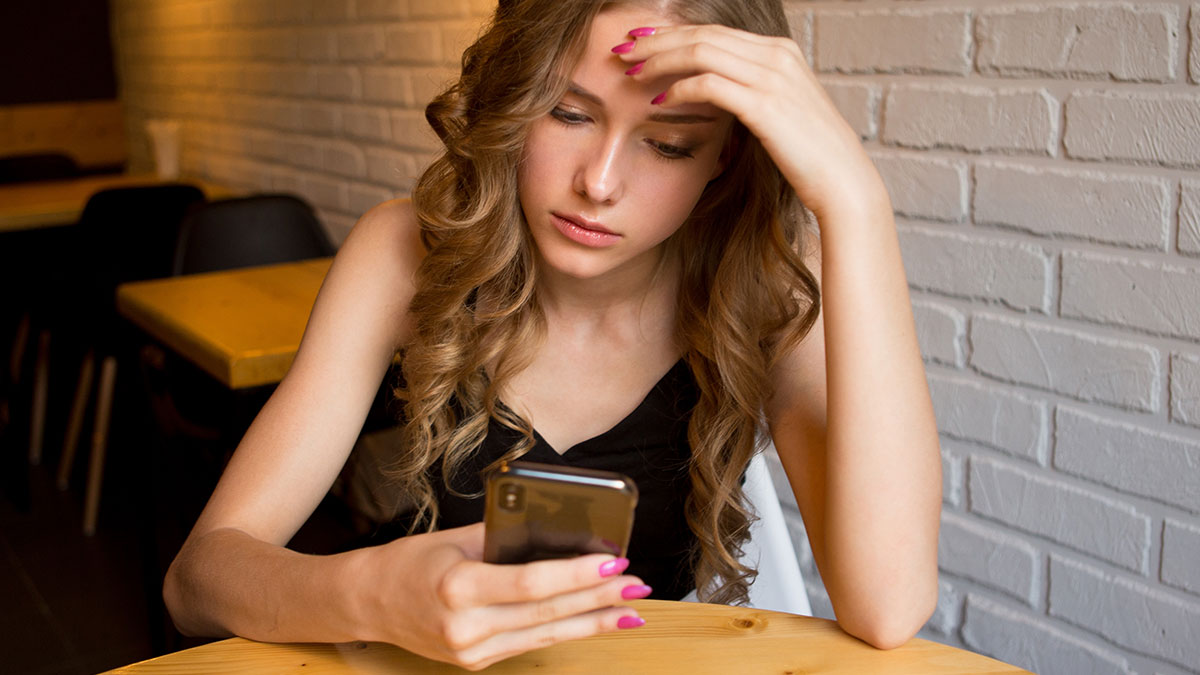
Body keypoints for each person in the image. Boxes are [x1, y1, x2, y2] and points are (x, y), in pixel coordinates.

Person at [162, 0, 942, 669]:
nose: (598, 183)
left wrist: (855, 203)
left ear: (725, 157)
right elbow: (196, 581)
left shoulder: (767, 280)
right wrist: (371, 593)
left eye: (670, 143)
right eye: (567, 112)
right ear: (511, 99)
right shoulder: (403, 252)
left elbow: (887, 605)